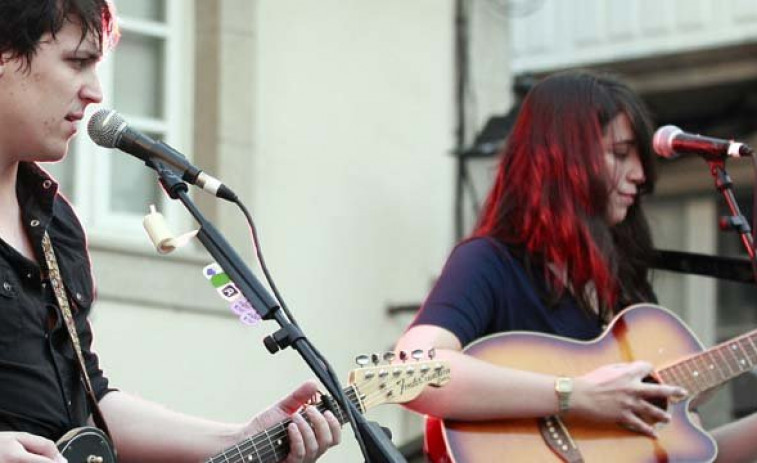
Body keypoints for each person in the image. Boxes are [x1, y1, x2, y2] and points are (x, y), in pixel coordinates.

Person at [0, 1, 340, 462]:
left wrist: (242, 437)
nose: (96, 92)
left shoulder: (55, 225)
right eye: (77, 62)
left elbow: (90, 402)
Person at [396, 70, 757, 462]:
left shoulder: (626, 292)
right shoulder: (490, 262)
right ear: (561, 159)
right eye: (620, 154)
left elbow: (693, 456)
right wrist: (576, 395)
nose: (639, 174)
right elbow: (413, 375)